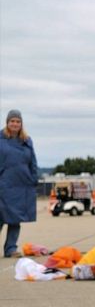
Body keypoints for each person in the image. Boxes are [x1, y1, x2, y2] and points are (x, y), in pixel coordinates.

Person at [0, 110, 38, 258]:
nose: (15, 124)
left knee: (15, 219)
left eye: (17, 121)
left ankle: (10, 249)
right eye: (12, 121)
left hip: (22, 184)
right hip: (4, 184)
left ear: (21, 123)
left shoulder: (27, 141)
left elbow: (32, 162)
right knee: (1, 217)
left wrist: (34, 179)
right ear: (7, 122)